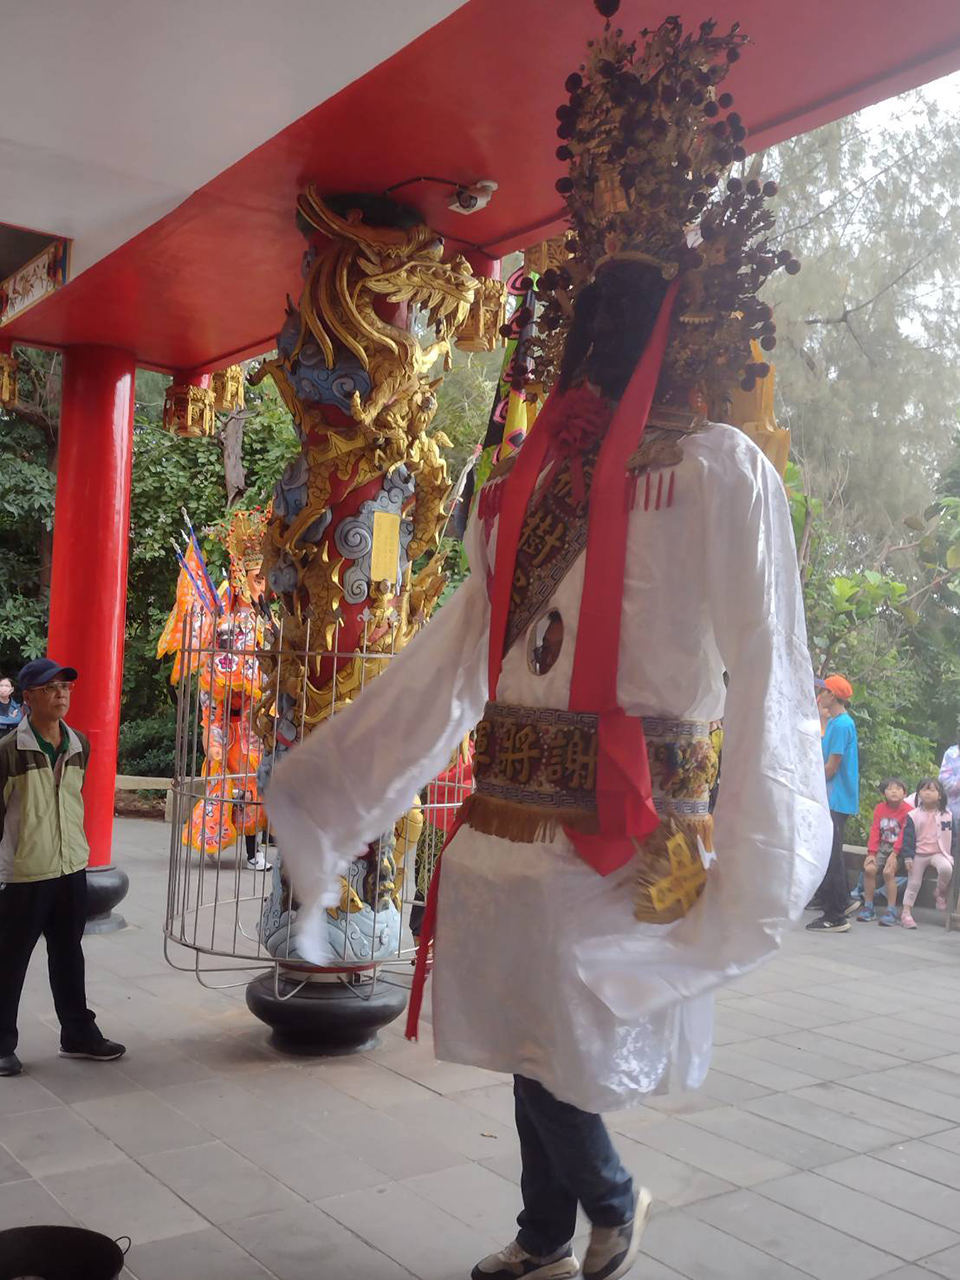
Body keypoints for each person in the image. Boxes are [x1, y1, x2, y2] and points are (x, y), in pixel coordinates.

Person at [266, 14, 830, 1280]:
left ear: (673, 317)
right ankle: (541, 1230)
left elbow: (768, 662)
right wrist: (340, 781)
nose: (602, 334)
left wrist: (760, 842)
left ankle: (610, 1200)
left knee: (564, 1033)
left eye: (626, 308)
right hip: (509, 825)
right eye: (591, 308)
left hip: (623, 831)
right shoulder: (521, 486)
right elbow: (453, 661)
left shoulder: (719, 471)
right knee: (529, 1038)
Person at [0, 659, 125, 1077]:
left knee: (69, 954)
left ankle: (77, 1035)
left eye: (65, 687)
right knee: (10, 959)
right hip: (24, 872)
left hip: (70, 867)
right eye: (50, 688)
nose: (61, 694)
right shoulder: (8, 751)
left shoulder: (78, 745)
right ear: (28, 697)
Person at [807, 675, 860, 933]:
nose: (819, 695)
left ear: (832, 695)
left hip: (836, 798)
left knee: (831, 856)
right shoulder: (837, 723)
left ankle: (835, 916)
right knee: (832, 852)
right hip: (835, 798)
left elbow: (831, 766)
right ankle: (842, 901)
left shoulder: (841, 725)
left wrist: (810, 782)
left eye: (823, 690)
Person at [900, 777, 954, 929]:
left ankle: (940, 892)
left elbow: (954, 837)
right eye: (924, 789)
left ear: (940, 795)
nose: (928, 793)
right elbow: (908, 838)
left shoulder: (947, 815)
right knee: (913, 882)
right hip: (919, 854)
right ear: (918, 794)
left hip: (939, 852)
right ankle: (906, 912)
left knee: (946, 868)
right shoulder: (913, 815)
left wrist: (953, 855)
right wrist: (908, 857)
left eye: (932, 790)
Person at [858, 778, 912, 925]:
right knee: (869, 869)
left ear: (904, 793)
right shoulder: (880, 809)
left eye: (898, 789)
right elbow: (875, 830)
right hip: (883, 847)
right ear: (884, 793)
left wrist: (894, 854)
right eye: (890, 789)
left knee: (888, 872)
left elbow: (904, 835)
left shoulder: (908, 811)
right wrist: (871, 853)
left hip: (900, 850)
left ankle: (891, 910)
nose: (894, 791)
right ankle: (868, 907)